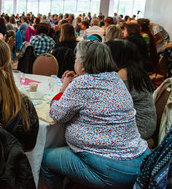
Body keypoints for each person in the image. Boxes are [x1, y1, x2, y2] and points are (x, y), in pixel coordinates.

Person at [39, 40, 150, 189]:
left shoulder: (82, 84)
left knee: (44, 159)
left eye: (76, 58)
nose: (74, 61)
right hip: (140, 160)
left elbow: (57, 114)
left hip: (112, 167)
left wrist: (63, 89)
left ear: (83, 65)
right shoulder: (116, 79)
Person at [107, 39, 156, 140]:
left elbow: (109, 101)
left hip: (138, 129)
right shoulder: (136, 71)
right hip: (146, 125)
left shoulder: (123, 74)